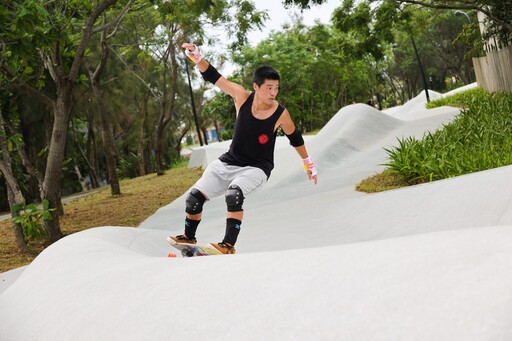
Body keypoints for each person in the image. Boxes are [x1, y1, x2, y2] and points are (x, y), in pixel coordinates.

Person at [169, 43, 318, 254]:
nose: (273, 93)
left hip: (257, 168)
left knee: (234, 195)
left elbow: (295, 137)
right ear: (256, 87)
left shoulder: (280, 113)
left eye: (276, 88)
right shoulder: (241, 96)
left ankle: (228, 245)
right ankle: (189, 237)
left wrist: (308, 162)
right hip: (229, 161)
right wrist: (196, 57)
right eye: (269, 88)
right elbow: (214, 76)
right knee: (193, 199)